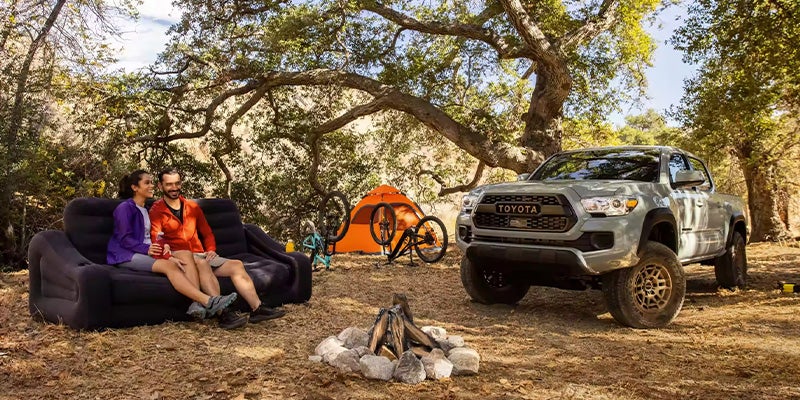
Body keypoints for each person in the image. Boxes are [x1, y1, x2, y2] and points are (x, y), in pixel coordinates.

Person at [149, 167, 286, 324]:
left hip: (199, 253)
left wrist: (211, 250)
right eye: (169, 184)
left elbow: (207, 233)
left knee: (236, 265)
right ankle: (223, 314)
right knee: (202, 263)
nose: (174, 188)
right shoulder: (156, 210)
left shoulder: (192, 207)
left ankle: (257, 309)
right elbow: (156, 238)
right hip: (181, 256)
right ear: (160, 186)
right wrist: (168, 256)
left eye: (177, 183)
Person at [106, 170, 238, 320]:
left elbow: (154, 237)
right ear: (135, 187)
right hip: (125, 255)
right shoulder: (124, 208)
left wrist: (165, 249)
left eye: (151, 182)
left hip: (145, 251)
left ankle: (196, 305)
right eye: (147, 183)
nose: (151, 186)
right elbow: (125, 239)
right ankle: (206, 300)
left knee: (185, 254)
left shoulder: (145, 209)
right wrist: (150, 250)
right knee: (170, 266)